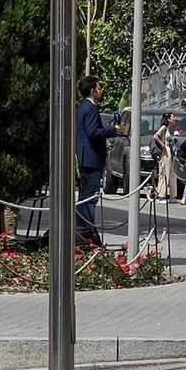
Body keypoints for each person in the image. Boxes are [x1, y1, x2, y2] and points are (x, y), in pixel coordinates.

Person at [74, 76, 125, 246]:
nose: (101, 90)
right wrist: (113, 130)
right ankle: (88, 235)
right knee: (89, 199)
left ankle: (83, 234)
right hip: (91, 160)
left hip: (86, 159)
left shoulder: (84, 107)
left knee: (84, 198)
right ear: (92, 90)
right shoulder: (90, 108)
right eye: (99, 87)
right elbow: (92, 131)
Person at [153, 113, 179, 202]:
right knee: (164, 172)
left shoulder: (168, 128)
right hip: (166, 152)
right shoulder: (164, 127)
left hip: (169, 151)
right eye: (173, 117)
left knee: (171, 172)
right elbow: (156, 136)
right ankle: (161, 195)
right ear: (168, 119)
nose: (174, 119)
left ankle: (172, 196)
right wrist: (163, 145)